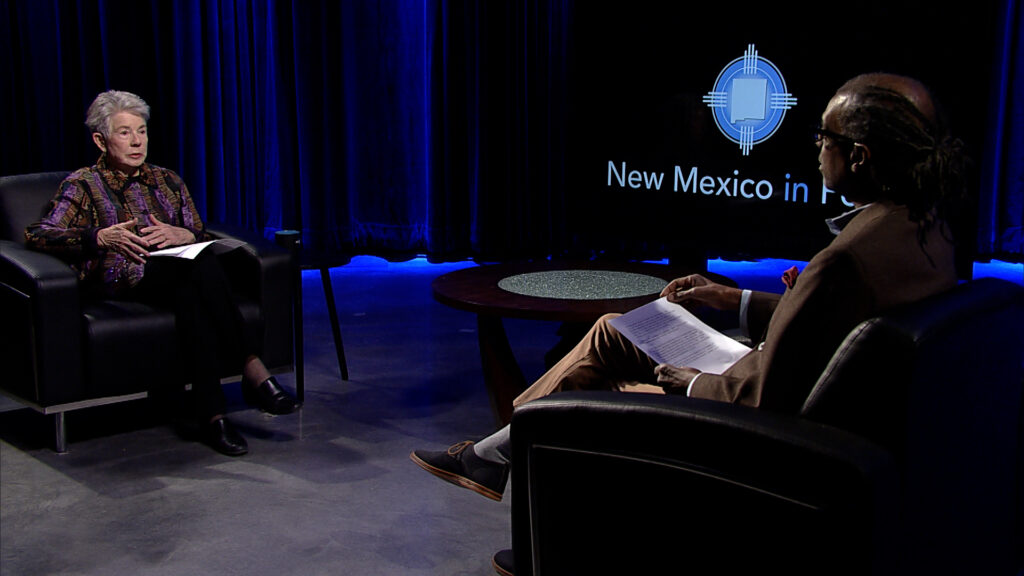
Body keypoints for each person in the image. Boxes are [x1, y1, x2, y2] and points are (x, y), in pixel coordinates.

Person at [411, 72, 967, 524]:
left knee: (589, 391)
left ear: (862, 157)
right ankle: (494, 459)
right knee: (612, 328)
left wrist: (691, 381)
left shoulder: (848, 259)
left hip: (761, 427)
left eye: (825, 138)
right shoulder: (927, 228)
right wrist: (733, 299)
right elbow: (833, 325)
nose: (818, 149)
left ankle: (525, 503)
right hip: (795, 395)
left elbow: (765, 398)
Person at [25, 90, 301, 456]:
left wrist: (186, 234)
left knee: (193, 287)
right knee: (198, 270)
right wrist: (98, 236)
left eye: (142, 131)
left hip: (179, 274)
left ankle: (213, 416)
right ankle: (254, 370)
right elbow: (38, 234)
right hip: (123, 278)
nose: (137, 141)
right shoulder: (83, 185)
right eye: (124, 133)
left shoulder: (167, 180)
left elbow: (200, 232)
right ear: (100, 140)